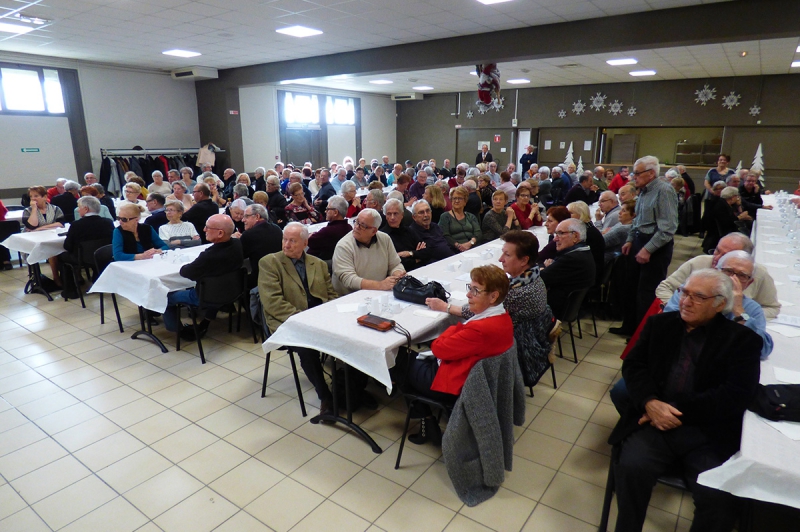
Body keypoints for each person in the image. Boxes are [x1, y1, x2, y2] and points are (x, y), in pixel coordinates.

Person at [608, 269, 761, 532]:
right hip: (654, 424)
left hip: (706, 433)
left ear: (719, 304)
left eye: (698, 297)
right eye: (684, 293)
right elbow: (634, 367)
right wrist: (649, 402)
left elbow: (735, 395)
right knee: (632, 469)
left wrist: (670, 411)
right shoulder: (660, 325)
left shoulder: (742, 341)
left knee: (718, 499)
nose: (686, 301)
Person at [428, 232, 555, 390]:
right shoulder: (534, 276)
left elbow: (474, 312)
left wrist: (445, 307)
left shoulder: (515, 293)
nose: (501, 258)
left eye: (507, 254)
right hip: (526, 342)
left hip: (518, 351)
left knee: (444, 327)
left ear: (524, 260)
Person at [404, 264, 512, 444]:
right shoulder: (503, 317)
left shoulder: (480, 329)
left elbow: (438, 347)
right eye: (470, 288)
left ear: (494, 296)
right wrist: (456, 330)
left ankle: (426, 422)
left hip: (456, 384)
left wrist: (453, 328)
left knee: (400, 363)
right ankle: (425, 420)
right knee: (411, 361)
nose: (469, 295)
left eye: (476, 290)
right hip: (478, 381)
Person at [259, 223, 340, 416]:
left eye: (292, 241)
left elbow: (331, 295)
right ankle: (325, 395)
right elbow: (273, 303)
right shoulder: (270, 263)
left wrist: (333, 315)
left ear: (305, 242)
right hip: (287, 321)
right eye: (284, 239)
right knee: (306, 347)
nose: (286, 245)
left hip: (319, 318)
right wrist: (306, 321)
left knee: (349, 336)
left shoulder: (318, 264)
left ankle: (350, 389)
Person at [612, 156, 678, 336]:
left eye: (637, 173)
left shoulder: (664, 191)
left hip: (656, 247)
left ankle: (641, 336)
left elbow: (668, 228)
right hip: (639, 242)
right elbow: (638, 220)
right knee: (630, 288)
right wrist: (630, 239)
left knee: (646, 294)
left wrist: (648, 249)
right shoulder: (643, 191)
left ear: (650, 174)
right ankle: (629, 327)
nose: (633, 176)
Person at [657, 233, 780, 318]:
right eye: (717, 251)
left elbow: (771, 308)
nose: (717, 258)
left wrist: (742, 314)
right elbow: (665, 287)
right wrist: (681, 308)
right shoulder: (699, 263)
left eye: (727, 255)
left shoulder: (759, 274)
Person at [163, 214, 244, 339]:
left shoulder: (209, 256)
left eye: (207, 227)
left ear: (220, 233)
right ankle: (205, 321)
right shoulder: (237, 245)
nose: (204, 230)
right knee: (215, 283)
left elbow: (186, 273)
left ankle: (179, 331)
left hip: (206, 296)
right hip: (232, 291)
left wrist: (187, 265)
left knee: (164, 296)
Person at [331, 208, 405, 295]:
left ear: (374, 231)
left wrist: (398, 274)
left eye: (363, 225)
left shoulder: (385, 239)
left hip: (378, 293)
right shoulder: (343, 246)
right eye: (356, 222)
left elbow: (395, 264)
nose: (357, 227)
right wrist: (380, 285)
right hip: (350, 297)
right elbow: (349, 279)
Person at [59, 196, 114, 299]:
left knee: (61, 257)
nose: (78, 210)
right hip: (103, 256)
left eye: (79, 207)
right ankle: (98, 279)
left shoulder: (76, 225)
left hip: (82, 258)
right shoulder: (108, 222)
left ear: (86, 209)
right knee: (93, 253)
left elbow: (67, 246)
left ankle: (70, 290)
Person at [539, 218, 595, 318]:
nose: (555, 239)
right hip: (570, 306)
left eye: (560, 233)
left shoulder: (572, 258)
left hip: (557, 308)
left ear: (575, 236)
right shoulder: (583, 251)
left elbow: (541, 278)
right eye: (556, 234)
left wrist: (545, 269)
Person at [239, 204, 282, 289]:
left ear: (257, 216)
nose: (243, 220)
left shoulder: (248, 235)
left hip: (260, 279)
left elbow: (239, 256)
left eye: (246, 216)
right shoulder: (277, 229)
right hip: (280, 275)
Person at [381, 199, 426, 271]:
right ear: (386, 216)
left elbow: (427, 251)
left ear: (402, 215)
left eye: (395, 214)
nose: (392, 217)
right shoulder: (382, 236)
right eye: (389, 214)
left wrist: (409, 253)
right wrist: (416, 258)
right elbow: (391, 263)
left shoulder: (409, 231)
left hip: (420, 269)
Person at [567, 201, 605, 285]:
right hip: (593, 272)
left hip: (589, 277)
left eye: (570, 213)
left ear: (580, 214)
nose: (567, 216)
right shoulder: (589, 227)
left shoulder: (585, 233)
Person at [304, 196, 352, 262]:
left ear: (335, 212)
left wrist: (312, 234)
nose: (325, 211)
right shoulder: (349, 227)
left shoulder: (328, 231)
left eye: (328, 209)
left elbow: (309, 241)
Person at [407, 199, 454, 263]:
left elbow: (446, 244)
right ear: (414, 217)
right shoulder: (411, 233)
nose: (426, 215)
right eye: (421, 212)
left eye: (428, 211)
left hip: (451, 260)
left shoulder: (435, 226)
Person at [439, 186, 481, 252]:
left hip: (472, 247)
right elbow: (445, 235)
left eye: (460, 198)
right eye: (454, 198)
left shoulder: (471, 216)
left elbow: (478, 232)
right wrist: (458, 246)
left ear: (465, 201)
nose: (457, 201)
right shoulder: (445, 217)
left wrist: (470, 243)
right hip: (454, 250)